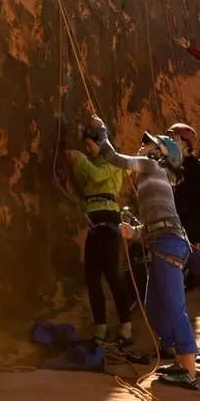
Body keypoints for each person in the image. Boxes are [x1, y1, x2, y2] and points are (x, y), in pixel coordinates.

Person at [88, 118, 200, 390]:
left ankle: (190, 370)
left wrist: (102, 131)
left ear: (159, 153)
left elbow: (115, 158)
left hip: (169, 245)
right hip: (163, 243)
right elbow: (154, 224)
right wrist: (134, 232)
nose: (143, 145)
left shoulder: (153, 166)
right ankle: (174, 358)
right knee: (153, 308)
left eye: (149, 143)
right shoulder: (153, 176)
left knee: (174, 309)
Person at [65, 123, 136, 350]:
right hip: (94, 224)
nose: (87, 149)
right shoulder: (93, 162)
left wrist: (81, 161)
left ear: (100, 142)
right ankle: (101, 326)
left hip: (109, 224)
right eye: (85, 146)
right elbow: (85, 185)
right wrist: (76, 165)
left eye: (90, 145)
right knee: (92, 276)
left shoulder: (113, 162)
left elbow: (96, 177)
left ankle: (126, 326)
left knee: (113, 276)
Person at [168, 123, 200, 366]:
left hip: (199, 240)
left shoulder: (199, 169)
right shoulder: (171, 168)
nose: (171, 142)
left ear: (186, 142)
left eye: (174, 138)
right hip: (178, 237)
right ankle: (181, 347)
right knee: (175, 291)